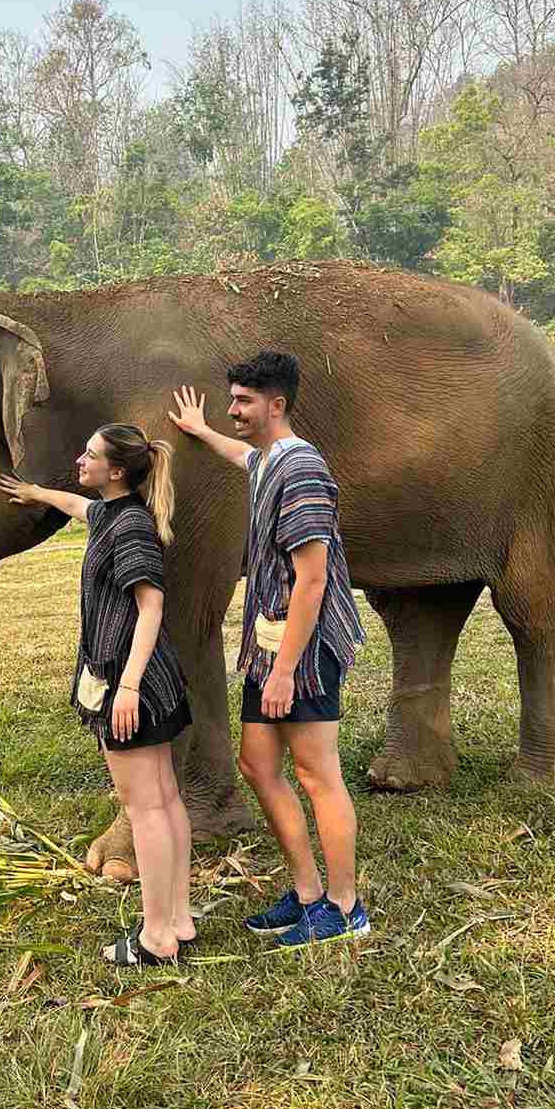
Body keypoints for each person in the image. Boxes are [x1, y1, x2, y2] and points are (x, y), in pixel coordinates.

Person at [169, 352, 369, 947]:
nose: (232, 409)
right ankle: (307, 893)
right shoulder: (269, 461)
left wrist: (285, 672)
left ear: (276, 406)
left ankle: (345, 906)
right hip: (269, 642)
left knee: (316, 774)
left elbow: (313, 578)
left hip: (301, 651)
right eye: (232, 399)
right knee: (258, 765)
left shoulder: (302, 469)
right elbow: (246, 457)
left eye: (243, 401)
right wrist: (201, 431)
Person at [0, 425, 194, 967]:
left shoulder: (130, 527)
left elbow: (151, 608)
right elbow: (77, 506)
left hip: (133, 685)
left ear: (117, 471)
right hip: (150, 682)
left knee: (145, 807)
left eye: (90, 454)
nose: (79, 459)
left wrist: (127, 687)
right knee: (165, 799)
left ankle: (156, 937)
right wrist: (36, 494)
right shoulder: (110, 511)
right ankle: (177, 918)